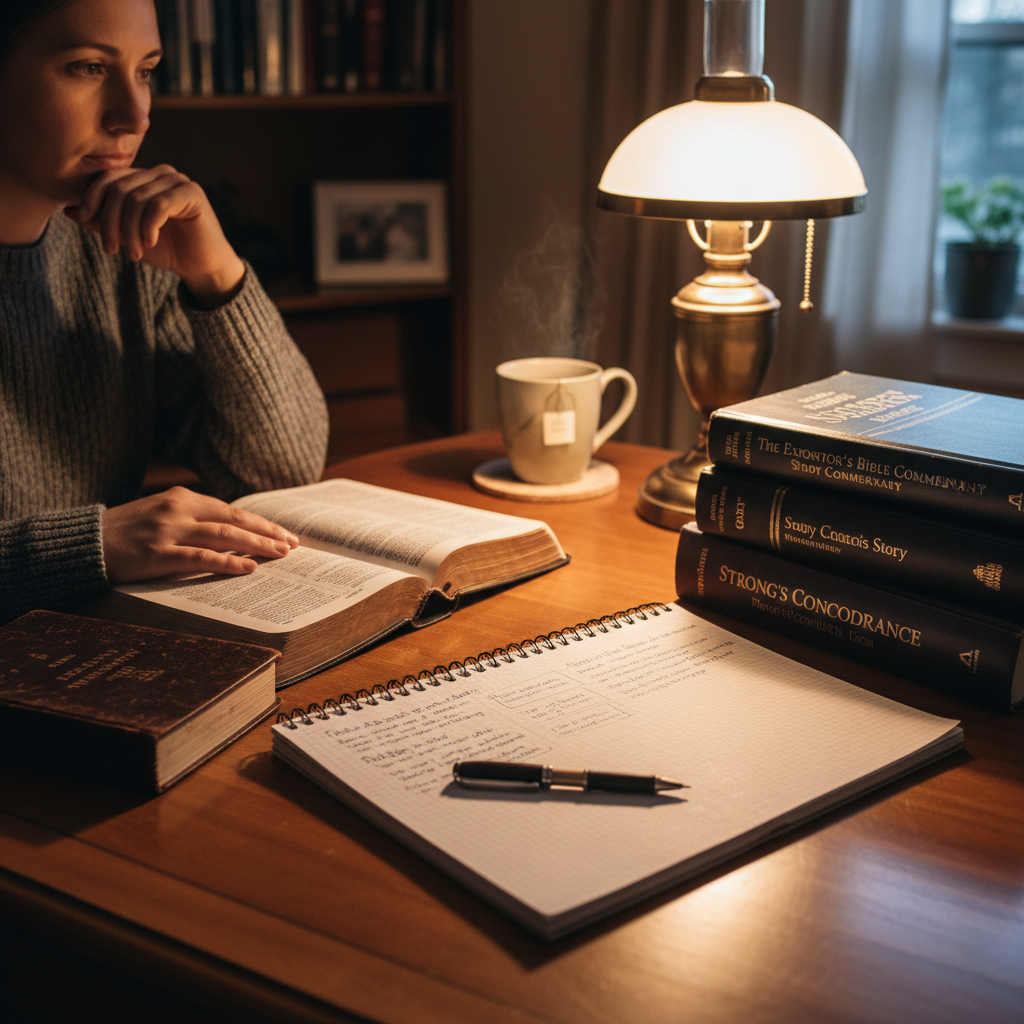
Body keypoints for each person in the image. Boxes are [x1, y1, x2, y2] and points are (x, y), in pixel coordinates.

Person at [0, 0, 329, 624]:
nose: (135, 115)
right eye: (88, 67)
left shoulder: (122, 248)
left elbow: (280, 468)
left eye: (145, 71)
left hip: (104, 645)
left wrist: (217, 274)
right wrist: (92, 545)